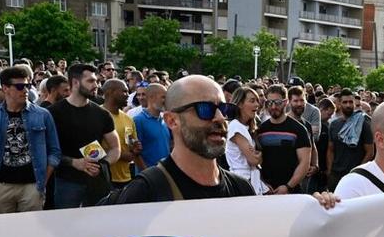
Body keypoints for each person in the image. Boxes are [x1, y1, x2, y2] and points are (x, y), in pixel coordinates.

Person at [114, 74, 338, 209]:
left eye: (223, 109)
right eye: (205, 109)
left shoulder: (241, 190)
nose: (220, 118)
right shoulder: (146, 192)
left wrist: (316, 209)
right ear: (172, 120)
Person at [0, 65, 61, 214]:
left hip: (32, 186)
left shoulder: (43, 115)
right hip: (0, 186)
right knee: (1, 233)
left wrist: (42, 182)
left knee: (30, 234)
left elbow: (54, 152)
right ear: (5, 88)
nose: (26, 90)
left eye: (28, 85)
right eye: (20, 86)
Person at [49, 63, 120, 208]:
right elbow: (46, 151)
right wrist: (75, 163)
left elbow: (115, 148)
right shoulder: (53, 113)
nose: (96, 85)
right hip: (66, 182)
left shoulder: (102, 114)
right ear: (75, 82)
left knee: (99, 227)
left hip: (97, 182)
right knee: (66, 227)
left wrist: (103, 164)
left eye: (97, 81)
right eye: (91, 81)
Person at [256, 84, 312, 194]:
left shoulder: (299, 129)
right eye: (270, 103)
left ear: (285, 102)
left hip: (292, 191)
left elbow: (305, 163)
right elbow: (256, 162)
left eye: (277, 103)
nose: (273, 107)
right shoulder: (261, 130)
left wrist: (288, 186)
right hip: (266, 191)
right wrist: (263, 185)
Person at [325, 89, 374, 190]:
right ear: (339, 104)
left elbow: (370, 152)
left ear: (354, 104)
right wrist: (330, 171)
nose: (348, 105)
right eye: (345, 102)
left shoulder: (363, 123)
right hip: (336, 175)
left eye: (350, 102)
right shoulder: (334, 125)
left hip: (355, 176)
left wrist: (358, 172)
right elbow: (330, 149)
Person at [101, 78, 143, 188]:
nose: (128, 95)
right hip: (105, 178)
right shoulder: (97, 115)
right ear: (110, 92)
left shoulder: (128, 118)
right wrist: (119, 155)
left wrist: (135, 148)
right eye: (124, 91)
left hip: (127, 177)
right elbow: (92, 148)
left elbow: (132, 145)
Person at [226, 85, 264, 193]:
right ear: (240, 104)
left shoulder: (245, 127)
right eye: (252, 101)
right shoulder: (235, 126)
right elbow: (253, 160)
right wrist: (259, 156)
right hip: (242, 182)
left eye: (257, 101)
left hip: (251, 180)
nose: (257, 104)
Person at [133, 83, 171, 168]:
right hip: (150, 177)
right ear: (151, 97)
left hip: (165, 173)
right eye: (163, 97)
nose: (166, 101)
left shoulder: (164, 119)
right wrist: (147, 175)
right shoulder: (138, 120)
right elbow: (135, 152)